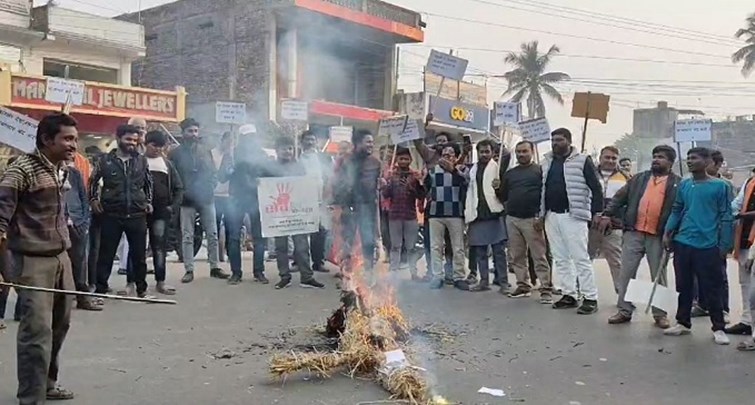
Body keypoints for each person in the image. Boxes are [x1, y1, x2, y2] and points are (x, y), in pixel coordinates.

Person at [0, 113, 79, 402]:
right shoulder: (20, 171)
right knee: (36, 332)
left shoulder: (62, 169)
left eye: (75, 139)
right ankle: (31, 397)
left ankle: (48, 384)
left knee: (60, 324)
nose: (74, 145)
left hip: (61, 258)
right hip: (31, 261)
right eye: (67, 139)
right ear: (47, 140)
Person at [603, 145, 680, 328]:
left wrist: (673, 234)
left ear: (670, 162)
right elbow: (619, 198)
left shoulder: (678, 183)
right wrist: (607, 214)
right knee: (626, 273)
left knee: (658, 275)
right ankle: (624, 310)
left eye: (661, 157)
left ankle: (660, 314)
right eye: (654, 156)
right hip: (634, 232)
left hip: (659, 235)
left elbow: (680, 210)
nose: (656, 160)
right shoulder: (638, 179)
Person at [662, 147, 734, 345]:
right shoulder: (685, 185)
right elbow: (677, 210)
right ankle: (683, 322)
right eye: (688, 158)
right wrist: (668, 232)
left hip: (708, 244)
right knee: (683, 285)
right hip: (683, 242)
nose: (690, 161)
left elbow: (726, 216)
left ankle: (718, 327)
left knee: (712, 287)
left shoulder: (721, 186)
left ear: (707, 161)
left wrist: (725, 244)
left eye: (694, 158)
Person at [540, 128, 603, 314]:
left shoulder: (583, 160)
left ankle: (590, 297)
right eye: (553, 140)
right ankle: (569, 294)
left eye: (559, 140)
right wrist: (540, 214)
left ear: (568, 141)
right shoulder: (546, 161)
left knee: (580, 258)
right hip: (551, 215)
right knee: (560, 258)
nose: (555, 143)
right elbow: (543, 189)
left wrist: (597, 212)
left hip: (574, 216)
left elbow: (596, 188)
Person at [90, 124, 153, 298]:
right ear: (118, 139)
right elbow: (93, 181)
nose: (132, 143)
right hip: (111, 213)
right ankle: (101, 289)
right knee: (106, 254)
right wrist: (93, 199)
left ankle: (142, 290)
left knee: (139, 255)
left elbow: (148, 183)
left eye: (134, 140)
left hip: (137, 214)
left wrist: (148, 201)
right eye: (128, 139)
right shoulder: (104, 161)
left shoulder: (142, 160)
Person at [168, 118, 230, 283]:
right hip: (186, 200)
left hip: (206, 198)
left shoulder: (205, 150)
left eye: (196, 131)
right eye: (190, 131)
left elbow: (212, 172)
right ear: (183, 133)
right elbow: (172, 177)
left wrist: (210, 185)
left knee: (212, 234)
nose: (194, 134)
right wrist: (179, 194)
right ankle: (189, 269)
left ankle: (214, 266)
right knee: (187, 235)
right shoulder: (175, 153)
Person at [263, 136, 325, 289]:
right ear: (277, 151)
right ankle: (284, 276)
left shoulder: (299, 167)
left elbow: (304, 188)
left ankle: (307, 277)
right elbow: (265, 189)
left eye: (290, 148)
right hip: (279, 214)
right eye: (284, 148)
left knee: (302, 245)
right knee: (281, 247)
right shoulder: (270, 168)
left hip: (297, 214)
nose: (288, 151)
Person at [503, 141, 553, 302]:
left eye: (525, 151)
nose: (521, 154)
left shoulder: (540, 172)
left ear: (532, 152)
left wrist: (541, 216)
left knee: (539, 255)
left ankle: (546, 288)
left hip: (532, 218)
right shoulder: (510, 173)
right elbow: (503, 196)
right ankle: (523, 285)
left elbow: (546, 195)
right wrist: (497, 187)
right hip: (512, 218)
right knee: (517, 256)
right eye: (518, 152)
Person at [333, 129, 382, 279]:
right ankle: (346, 270)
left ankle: (368, 271)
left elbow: (378, 184)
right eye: (368, 142)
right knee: (348, 239)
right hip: (350, 206)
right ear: (357, 143)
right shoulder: (346, 161)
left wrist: (381, 184)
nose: (371, 145)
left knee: (368, 241)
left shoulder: (375, 162)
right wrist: (342, 203)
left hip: (368, 206)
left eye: (372, 142)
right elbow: (337, 183)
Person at [224, 125, 269, 284]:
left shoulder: (262, 155)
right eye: (247, 137)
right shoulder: (232, 155)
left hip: (257, 199)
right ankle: (236, 273)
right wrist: (229, 168)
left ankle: (259, 271)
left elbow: (270, 175)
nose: (250, 140)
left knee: (259, 237)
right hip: (236, 199)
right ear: (242, 139)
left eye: (252, 137)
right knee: (234, 237)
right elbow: (222, 176)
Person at [465, 139, 509, 293]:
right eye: (481, 151)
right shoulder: (472, 169)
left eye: (487, 151)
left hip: (494, 214)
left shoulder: (498, 169)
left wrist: (499, 187)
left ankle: (503, 283)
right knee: (480, 251)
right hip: (477, 214)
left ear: (493, 153)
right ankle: (484, 281)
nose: (484, 154)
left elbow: (504, 193)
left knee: (498, 252)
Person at [425, 144, 469, 290]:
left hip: (455, 213)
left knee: (458, 247)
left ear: (456, 157)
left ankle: (459, 276)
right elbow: (424, 188)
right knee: (435, 246)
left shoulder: (462, 170)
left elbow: (465, 183)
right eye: (444, 155)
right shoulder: (431, 170)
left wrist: (453, 170)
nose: (446, 157)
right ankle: (437, 276)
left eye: (450, 155)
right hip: (435, 213)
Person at [144, 130, 183, 295]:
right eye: (154, 145)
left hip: (161, 212)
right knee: (137, 248)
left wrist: (172, 207)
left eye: (161, 146)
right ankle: (133, 283)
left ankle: (161, 282)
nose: (157, 149)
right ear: (146, 144)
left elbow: (179, 188)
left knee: (159, 248)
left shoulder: (167, 164)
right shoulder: (138, 162)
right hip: (139, 211)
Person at [588, 146, 629, 293]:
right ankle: (582, 291)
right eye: (607, 157)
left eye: (614, 158)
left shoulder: (625, 178)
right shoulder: (590, 174)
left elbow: (627, 202)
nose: (610, 160)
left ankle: (623, 294)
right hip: (591, 224)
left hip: (614, 226)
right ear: (600, 158)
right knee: (585, 259)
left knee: (617, 261)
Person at [381, 146, 423, 280]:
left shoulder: (414, 176)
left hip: (410, 216)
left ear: (410, 160)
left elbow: (421, 195)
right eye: (401, 159)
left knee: (411, 247)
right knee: (395, 246)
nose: (403, 161)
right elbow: (386, 194)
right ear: (397, 160)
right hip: (395, 216)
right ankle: (393, 272)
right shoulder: (392, 176)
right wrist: (384, 183)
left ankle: (413, 272)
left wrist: (416, 184)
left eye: (406, 159)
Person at [64, 163, 99, 311]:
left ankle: (82, 297)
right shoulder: (43, 172)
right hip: (55, 223)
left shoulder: (74, 173)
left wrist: (85, 220)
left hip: (77, 221)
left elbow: (83, 197)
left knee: (79, 261)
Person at [300, 130, 333, 273]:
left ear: (316, 142)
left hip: (321, 200)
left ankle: (318, 262)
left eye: (312, 139)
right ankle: (300, 261)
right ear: (301, 142)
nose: (310, 142)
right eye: (307, 140)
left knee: (320, 232)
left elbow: (331, 177)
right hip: (302, 201)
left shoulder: (324, 158)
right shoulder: (297, 159)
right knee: (301, 232)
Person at [726, 168, 755, 336]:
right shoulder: (749, 182)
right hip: (745, 238)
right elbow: (736, 205)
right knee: (745, 282)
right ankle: (747, 321)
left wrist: (743, 215)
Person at [212, 132, 233, 262]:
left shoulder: (233, 155)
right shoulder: (213, 154)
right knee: (215, 226)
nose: (230, 144)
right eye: (228, 141)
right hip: (215, 194)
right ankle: (214, 255)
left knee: (231, 226)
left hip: (229, 195)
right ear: (222, 140)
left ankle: (231, 253)